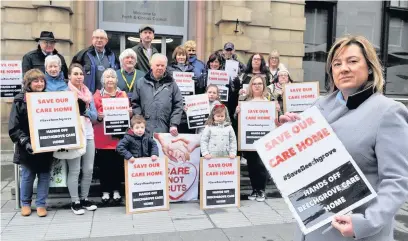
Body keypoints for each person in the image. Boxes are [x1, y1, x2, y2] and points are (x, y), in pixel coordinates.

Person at [276, 35, 408, 241]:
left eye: (352, 61)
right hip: (313, 224)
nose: (343, 68)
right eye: (336, 64)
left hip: (356, 232)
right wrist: (289, 135)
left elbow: (397, 181)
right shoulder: (318, 106)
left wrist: (365, 223)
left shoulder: (388, 112)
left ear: (370, 67)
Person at [8, 69, 54, 217]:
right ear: (28, 83)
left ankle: (41, 204)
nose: (39, 83)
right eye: (36, 81)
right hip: (26, 145)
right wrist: (25, 142)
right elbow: (14, 127)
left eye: (42, 81)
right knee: (28, 175)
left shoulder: (49, 98)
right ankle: (25, 203)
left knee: (44, 175)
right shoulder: (20, 100)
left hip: (45, 142)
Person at [93, 68, 129, 204]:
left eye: (112, 77)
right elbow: (93, 117)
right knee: (105, 167)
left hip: (119, 137)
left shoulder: (123, 95)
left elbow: (128, 115)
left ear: (116, 80)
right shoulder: (97, 96)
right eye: (107, 77)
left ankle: (116, 190)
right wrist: (99, 117)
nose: (110, 80)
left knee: (118, 166)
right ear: (103, 80)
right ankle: (105, 191)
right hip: (103, 138)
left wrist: (129, 113)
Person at [235, 75, 273, 202]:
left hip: (264, 140)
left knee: (261, 165)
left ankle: (261, 190)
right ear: (251, 86)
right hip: (250, 141)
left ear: (264, 86)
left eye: (260, 83)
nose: (257, 86)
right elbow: (238, 121)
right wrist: (237, 112)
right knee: (252, 166)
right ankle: (254, 189)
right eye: (254, 84)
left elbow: (275, 122)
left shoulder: (269, 103)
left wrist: (277, 111)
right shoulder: (245, 103)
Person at [66, 63, 98, 215]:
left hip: (88, 133)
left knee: (89, 169)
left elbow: (95, 116)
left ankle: (84, 198)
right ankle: (75, 201)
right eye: (76, 74)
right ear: (69, 76)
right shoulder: (65, 92)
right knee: (75, 169)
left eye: (81, 74)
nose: (79, 76)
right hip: (74, 135)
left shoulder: (88, 93)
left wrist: (84, 111)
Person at [131, 53, 183, 137]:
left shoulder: (172, 84)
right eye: (157, 65)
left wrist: (173, 124)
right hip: (144, 129)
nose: (160, 68)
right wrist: (139, 122)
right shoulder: (140, 83)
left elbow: (178, 104)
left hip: (165, 128)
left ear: (166, 67)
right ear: (151, 66)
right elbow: (135, 103)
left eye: (162, 65)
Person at [71, 29, 119, 93]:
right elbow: (72, 73)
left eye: (102, 38)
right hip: (88, 94)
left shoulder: (112, 55)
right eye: (97, 38)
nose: (99, 40)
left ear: (106, 41)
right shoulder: (83, 54)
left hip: (107, 95)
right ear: (92, 39)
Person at [167, 46, 195, 134]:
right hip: (174, 100)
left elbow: (198, 88)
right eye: (179, 55)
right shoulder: (169, 69)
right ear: (175, 56)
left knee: (186, 127)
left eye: (183, 55)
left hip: (188, 100)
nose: (181, 57)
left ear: (186, 56)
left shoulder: (192, 69)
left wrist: (196, 81)